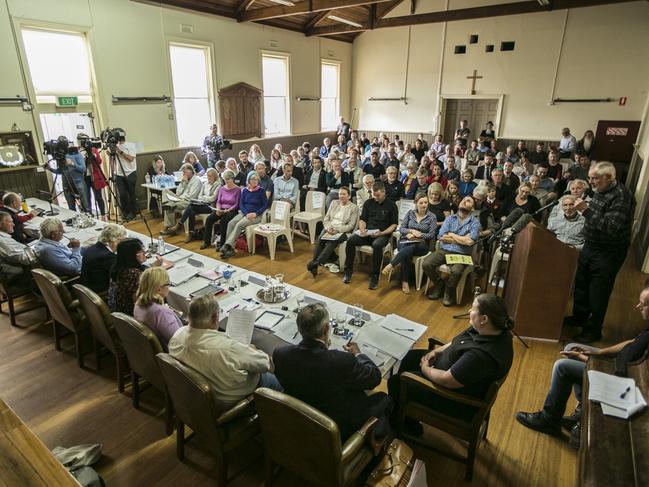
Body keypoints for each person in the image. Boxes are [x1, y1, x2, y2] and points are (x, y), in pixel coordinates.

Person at [516, 284, 649, 448]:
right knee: (570, 348)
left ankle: (549, 419)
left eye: (644, 304)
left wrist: (587, 359)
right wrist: (598, 352)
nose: (638, 306)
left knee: (562, 367)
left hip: (620, 383)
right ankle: (581, 411)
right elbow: (632, 342)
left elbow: (623, 374)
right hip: (615, 369)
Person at [389, 293, 513, 434]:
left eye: (473, 309)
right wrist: (436, 352)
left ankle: (406, 426)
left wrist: (425, 369)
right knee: (407, 358)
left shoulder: (481, 356)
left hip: (454, 399)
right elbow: (456, 342)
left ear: (484, 319)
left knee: (396, 382)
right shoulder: (492, 330)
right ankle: (405, 414)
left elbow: (446, 380)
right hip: (451, 371)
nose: (469, 312)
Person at [273, 303, 392, 446]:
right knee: (385, 399)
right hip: (334, 426)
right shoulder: (341, 361)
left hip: (298, 418)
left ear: (299, 328)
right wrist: (359, 354)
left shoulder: (280, 354)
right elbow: (374, 378)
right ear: (326, 329)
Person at [169, 294, 281, 408]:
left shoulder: (177, 335)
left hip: (194, 398)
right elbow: (265, 364)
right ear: (214, 318)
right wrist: (253, 349)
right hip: (231, 405)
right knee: (278, 380)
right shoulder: (228, 348)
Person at [567, 162, 635, 343]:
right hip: (590, 246)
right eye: (590, 177)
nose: (590, 182)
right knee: (582, 284)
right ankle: (579, 318)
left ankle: (593, 330)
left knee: (598, 291)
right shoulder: (600, 190)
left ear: (609, 178)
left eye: (595, 178)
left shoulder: (621, 197)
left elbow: (611, 227)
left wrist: (586, 211)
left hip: (608, 252)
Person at [422, 196, 480, 306]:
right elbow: (441, 236)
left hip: (462, 253)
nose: (463, 201)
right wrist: (462, 238)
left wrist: (452, 234)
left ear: (472, 208)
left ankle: (449, 292)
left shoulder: (475, 223)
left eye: (468, 201)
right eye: (463, 200)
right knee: (426, 264)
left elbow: (470, 242)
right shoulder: (450, 219)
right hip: (445, 250)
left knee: (456, 271)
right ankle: (439, 285)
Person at [343, 181, 398, 290]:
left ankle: (375, 276)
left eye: (377, 195)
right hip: (367, 232)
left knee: (377, 245)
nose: (375, 198)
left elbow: (394, 225)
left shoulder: (392, 205)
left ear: (383, 192)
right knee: (350, 241)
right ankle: (348, 271)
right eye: (373, 195)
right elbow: (363, 219)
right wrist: (362, 229)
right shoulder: (368, 203)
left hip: (382, 234)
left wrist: (382, 233)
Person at [382, 192, 436, 294]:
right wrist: (410, 232)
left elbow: (431, 235)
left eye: (426, 202)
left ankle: (392, 265)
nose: (424, 205)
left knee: (410, 248)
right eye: (421, 203)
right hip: (405, 240)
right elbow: (402, 228)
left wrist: (419, 235)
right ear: (416, 203)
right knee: (408, 250)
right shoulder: (410, 213)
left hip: (421, 245)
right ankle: (404, 281)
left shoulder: (432, 217)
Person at [307, 186, 358, 277]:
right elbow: (326, 218)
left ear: (349, 196)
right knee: (320, 239)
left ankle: (316, 263)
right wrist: (328, 228)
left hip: (343, 231)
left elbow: (351, 226)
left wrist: (337, 230)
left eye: (344, 194)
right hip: (330, 227)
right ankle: (315, 264)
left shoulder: (354, 208)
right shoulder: (334, 203)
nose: (341, 196)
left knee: (332, 243)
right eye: (340, 194)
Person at [219, 172, 268, 260]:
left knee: (239, 225)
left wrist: (256, 213)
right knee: (231, 223)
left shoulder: (261, 191)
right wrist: (246, 214)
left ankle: (227, 245)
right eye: (253, 179)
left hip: (256, 215)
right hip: (245, 213)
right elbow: (241, 204)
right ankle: (231, 249)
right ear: (249, 180)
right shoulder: (244, 190)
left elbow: (265, 205)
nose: (255, 181)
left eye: (257, 179)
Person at [133, 267, 182, 351]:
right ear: (159, 289)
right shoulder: (161, 312)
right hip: (172, 353)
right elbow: (180, 341)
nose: (169, 287)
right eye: (168, 284)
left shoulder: (139, 302)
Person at [108, 238, 155, 315]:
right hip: (129, 316)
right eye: (140, 251)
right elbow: (139, 304)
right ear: (131, 255)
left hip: (116, 311)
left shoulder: (117, 266)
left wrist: (152, 267)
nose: (144, 253)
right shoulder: (134, 274)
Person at [43, 138, 90, 213]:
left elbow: (83, 169)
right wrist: (50, 169)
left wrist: (72, 164)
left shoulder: (76, 154)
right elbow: (61, 171)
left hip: (78, 183)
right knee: (71, 209)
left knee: (86, 207)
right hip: (66, 184)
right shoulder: (60, 157)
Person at [177, 168, 221, 242]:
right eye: (207, 176)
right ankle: (190, 233)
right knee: (191, 211)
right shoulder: (205, 184)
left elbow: (213, 198)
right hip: (202, 204)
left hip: (211, 206)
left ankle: (180, 224)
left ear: (215, 177)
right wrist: (204, 199)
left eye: (210, 176)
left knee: (191, 206)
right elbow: (199, 196)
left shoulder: (218, 185)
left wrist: (204, 198)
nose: (208, 178)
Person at [200, 170, 241, 250]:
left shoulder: (237, 189)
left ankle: (222, 243)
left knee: (223, 221)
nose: (227, 181)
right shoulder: (222, 189)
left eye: (228, 179)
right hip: (221, 209)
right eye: (225, 179)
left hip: (232, 210)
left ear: (233, 179)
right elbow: (219, 201)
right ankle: (206, 242)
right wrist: (218, 209)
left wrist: (228, 210)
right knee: (209, 219)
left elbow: (237, 204)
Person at [80, 223, 127, 293]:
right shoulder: (107, 256)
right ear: (113, 240)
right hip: (100, 292)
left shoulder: (92, 248)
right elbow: (123, 274)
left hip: (87, 288)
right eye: (121, 241)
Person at [160, 163, 203, 236]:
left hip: (188, 201)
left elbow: (192, 196)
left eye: (185, 172)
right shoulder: (184, 179)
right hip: (180, 199)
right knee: (165, 191)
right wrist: (183, 183)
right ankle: (169, 224)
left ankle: (169, 205)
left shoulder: (197, 181)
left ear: (191, 171)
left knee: (170, 205)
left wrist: (180, 198)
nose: (184, 174)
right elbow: (178, 192)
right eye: (183, 172)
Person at [110, 129, 138, 220]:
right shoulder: (115, 145)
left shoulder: (131, 145)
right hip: (119, 174)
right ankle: (125, 212)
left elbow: (131, 159)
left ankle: (133, 213)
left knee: (131, 194)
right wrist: (111, 150)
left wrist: (119, 151)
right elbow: (109, 155)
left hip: (130, 173)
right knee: (122, 194)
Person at [78, 135, 107, 218]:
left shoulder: (93, 149)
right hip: (84, 177)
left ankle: (103, 215)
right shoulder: (78, 150)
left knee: (98, 197)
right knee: (87, 197)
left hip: (95, 176)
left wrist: (93, 155)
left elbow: (99, 161)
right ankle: (89, 214)